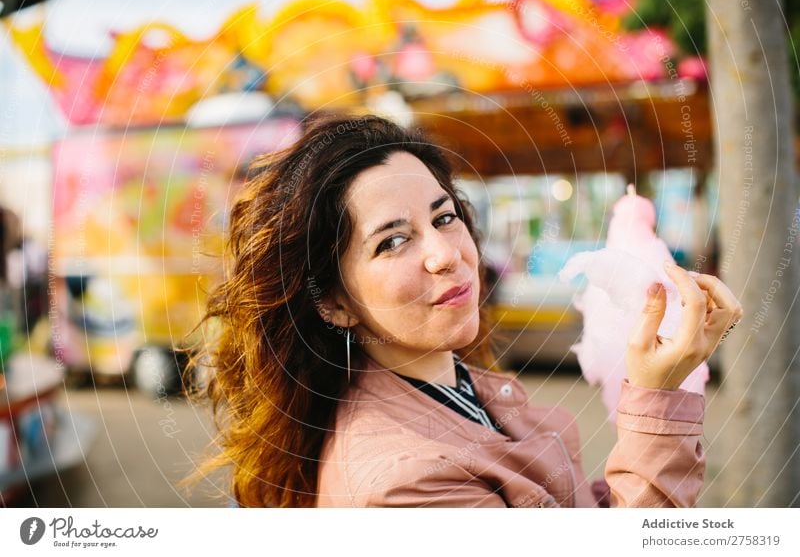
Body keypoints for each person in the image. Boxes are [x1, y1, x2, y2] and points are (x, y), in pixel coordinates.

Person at [184, 114, 743, 508]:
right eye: (392, 241)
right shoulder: (403, 487)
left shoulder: (466, 390)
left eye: (444, 217)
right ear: (334, 302)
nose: (445, 254)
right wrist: (657, 399)